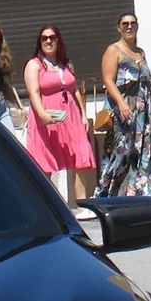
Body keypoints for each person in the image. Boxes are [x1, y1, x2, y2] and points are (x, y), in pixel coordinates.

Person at [21, 24, 96, 201]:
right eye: (44, 38)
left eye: (52, 37)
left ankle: (82, 203)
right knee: (45, 161)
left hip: (71, 117)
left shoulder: (66, 64)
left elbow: (75, 89)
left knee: (81, 156)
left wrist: (83, 114)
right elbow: (34, 92)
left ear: (58, 40)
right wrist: (42, 114)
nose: (48, 41)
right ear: (39, 42)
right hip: (47, 116)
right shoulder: (34, 65)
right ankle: (43, 204)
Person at [96, 11, 151, 198]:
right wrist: (122, 104)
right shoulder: (114, 50)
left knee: (145, 152)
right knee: (122, 152)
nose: (129, 26)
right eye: (125, 24)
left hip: (144, 112)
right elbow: (108, 81)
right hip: (124, 111)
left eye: (133, 23)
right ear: (119, 28)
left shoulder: (141, 52)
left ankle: (143, 192)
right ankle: (108, 193)